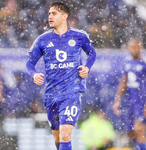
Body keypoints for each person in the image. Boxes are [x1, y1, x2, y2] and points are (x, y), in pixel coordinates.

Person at [26, 2, 96, 150]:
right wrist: (34, 74)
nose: (50, 16)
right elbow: (29, 63)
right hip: (51, 95)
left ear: (65, 16)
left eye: (54, 13)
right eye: (49, 13)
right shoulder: (43, 40)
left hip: (71, 93)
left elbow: (92, 53)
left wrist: (87, 68)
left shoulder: (79, 36)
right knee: (58, 139)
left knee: (65, 135)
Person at [113, 38, 146, 150]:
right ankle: (140, 146)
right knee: (130, 131)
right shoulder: (127, 63)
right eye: (130, 47)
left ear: (140, 47)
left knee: (139, 129)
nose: (132, 50)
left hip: (142, 101)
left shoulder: (145, 63)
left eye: (134, 47)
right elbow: (123, 83)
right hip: (131, 101)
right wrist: (117, 100)